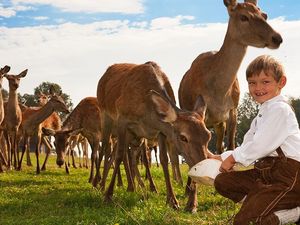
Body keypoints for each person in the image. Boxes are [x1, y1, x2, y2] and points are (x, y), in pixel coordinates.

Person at [208, 55, 300, 225]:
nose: (258, 88)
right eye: (252, 82)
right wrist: (221, 157)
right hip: (265, 173)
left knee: (247, 221)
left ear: (281, 82)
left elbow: (261, 145)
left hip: (289, 177)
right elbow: (248, 145)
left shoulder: (280, 109)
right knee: (223, 182)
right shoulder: (262, 114)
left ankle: (293, 213)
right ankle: (262, 203)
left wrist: (234, 158)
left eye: (266, 82)